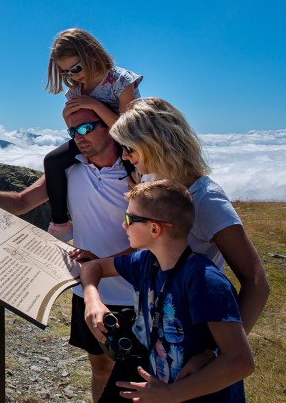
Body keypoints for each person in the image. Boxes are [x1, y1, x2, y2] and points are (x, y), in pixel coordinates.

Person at [0, 107, 135, 401]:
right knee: (100, 366)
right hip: (88, 291)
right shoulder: (70, 170)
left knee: (138, 374)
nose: (78, 138)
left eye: (86, 128)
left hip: (135, 287)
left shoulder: (136, 172)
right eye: (72, 132)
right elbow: (23, 202)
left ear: (110, 126)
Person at [81, 180, 254, 401]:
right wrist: (93, 301)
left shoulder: (204, 281)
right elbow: (92, 267)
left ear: (154, 228)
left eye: (129, 219)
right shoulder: (145, 262)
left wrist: (171, 394)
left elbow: (240, 362)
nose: (123, 225)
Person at [109, 97, 269, 336]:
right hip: (161, 329)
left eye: (129, 148)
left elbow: (256, 282)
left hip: (198, 335)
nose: (124, 156)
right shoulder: (152, 181)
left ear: (154, 144)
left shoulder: (207, 200)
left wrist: (223, 352)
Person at [43, 29, 142, 241]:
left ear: (91, 54)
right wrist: (66, 117)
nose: (73, 76)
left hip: (130, 142)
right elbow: (77, 129)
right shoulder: (75, 92)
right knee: (52, 161)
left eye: (76, 68)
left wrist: (94, 105)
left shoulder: (121, 81)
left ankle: (141, 224)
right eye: (66, 72)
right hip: (99, 141)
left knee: (139, 185)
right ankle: (61, 223)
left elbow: (128, 130)